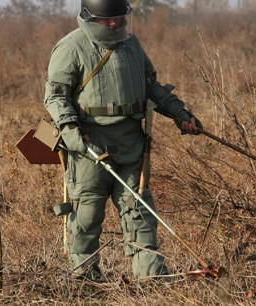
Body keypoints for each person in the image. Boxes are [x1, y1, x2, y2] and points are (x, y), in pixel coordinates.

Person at [43, 0, 202, 280]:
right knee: (86, 216)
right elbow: (55, 98)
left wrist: (179, 113)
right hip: (89, 146)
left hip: (131, 146)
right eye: (108, 20)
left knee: (139, 212)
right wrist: (71, 131)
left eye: (119, 18)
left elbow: (151, 85)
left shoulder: (132, 45)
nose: (115, 24)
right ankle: (84, 278)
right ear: (90, 18)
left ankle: (150, 278)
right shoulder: (69, 47)